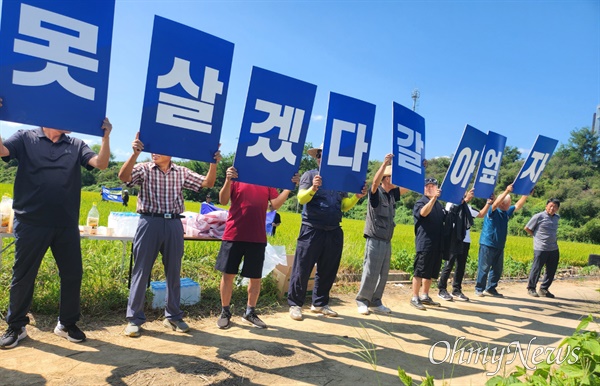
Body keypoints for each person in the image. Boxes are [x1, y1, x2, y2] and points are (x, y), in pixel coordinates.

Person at [0, 96, 112, 349]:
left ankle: (66, 323)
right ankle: (16, 326)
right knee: (23, 275)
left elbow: (101, 163)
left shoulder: (76, 144)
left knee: (72, 274)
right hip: (31, 221)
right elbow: (2, 151)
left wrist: (106, 137)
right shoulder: (25, 137)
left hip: (66, 223)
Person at [118, 133, 219, 337]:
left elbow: (207, 183)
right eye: (152, 149)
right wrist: (135, 154)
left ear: (171, 153)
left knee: (173, 270)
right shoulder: (145, 168)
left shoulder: (181, 172)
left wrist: (213, 163)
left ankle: (173, 316)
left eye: (159, 149)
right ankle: (134, 319)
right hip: (149, 221)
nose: (154, 152)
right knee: (141, 270)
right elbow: (124, 177)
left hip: (174, 222)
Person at [288, 145, 366, 321]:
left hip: (333, 229)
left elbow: (344, 206)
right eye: (321, 156)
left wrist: (356, 197)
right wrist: (313, 189)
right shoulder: (310, 175)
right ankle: (295, 304)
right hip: (311, 228)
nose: (324, 159)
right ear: (318, 158)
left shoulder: (340, 180)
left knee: (328, 269)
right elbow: (301, 198)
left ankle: (320, 303)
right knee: (303, 267)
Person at [216, 167, 298, 329]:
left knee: (255, 277)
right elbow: (223, 200)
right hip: (234, 234)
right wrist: (228, 180)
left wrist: (288, 188)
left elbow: (274, 205)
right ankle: (225, 311)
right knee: (228, 275)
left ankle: (250, 312)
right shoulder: (237, 176)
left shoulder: (266, 182)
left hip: (257, 237)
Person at [356, 154, 407, 315]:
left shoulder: (392, 194)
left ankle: (376, 301)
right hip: (374, 238)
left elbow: (409, 187)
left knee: (383, 274)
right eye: (393, 177)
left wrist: (420, 170)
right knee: (371, 271)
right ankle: (362, 300)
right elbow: (374, 182)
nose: (397, 180)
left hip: (386, 240)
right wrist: (385, 163)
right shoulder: (376, 192)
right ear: (386, 179)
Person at [475, 184, 528, 298]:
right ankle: (479, 288)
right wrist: (506, 191)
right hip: (488, 243)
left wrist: (526, 194)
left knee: (497, 269)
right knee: (484, 268)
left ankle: (491, 288)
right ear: (504, 203)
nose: (510, 204)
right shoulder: (492, 210)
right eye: (509, 202)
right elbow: (495, 204)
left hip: (499, 245)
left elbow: (518, 205)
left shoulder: (506, 212)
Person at [437, 189, 491, 302]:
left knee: (461, 266)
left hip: (465, 240)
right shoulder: (450, 203)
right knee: (449, 264)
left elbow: (481, 214)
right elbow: (452, 211)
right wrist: (465, 199)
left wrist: (488, 203)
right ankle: (442, 289)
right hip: (453, 238)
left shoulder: (468, 207)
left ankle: (456, 289)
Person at [410, 177, 445, 310]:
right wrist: (433, 199)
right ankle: (415, 296)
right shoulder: (421, 202)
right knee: (419, 271)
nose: (430, 188)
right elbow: (423, 213)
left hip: (437, 243)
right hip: (424, 243)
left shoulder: (439, 206)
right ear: (423, 188)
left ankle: (425, 295)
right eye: (428, 186)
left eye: (433, 186)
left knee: (430, 272)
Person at [525, 198, 561, 298]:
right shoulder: (539, 216)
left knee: (551, 270)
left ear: (557, 209)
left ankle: (544, 289)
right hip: (541, 247)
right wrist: (536, 236)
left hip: (553, 248)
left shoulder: (557, 217)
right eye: (551, 206)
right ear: (546, 206)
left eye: (555, 207)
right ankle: (531, 288)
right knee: (536, 268)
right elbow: (527, 228)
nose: (552, 208)